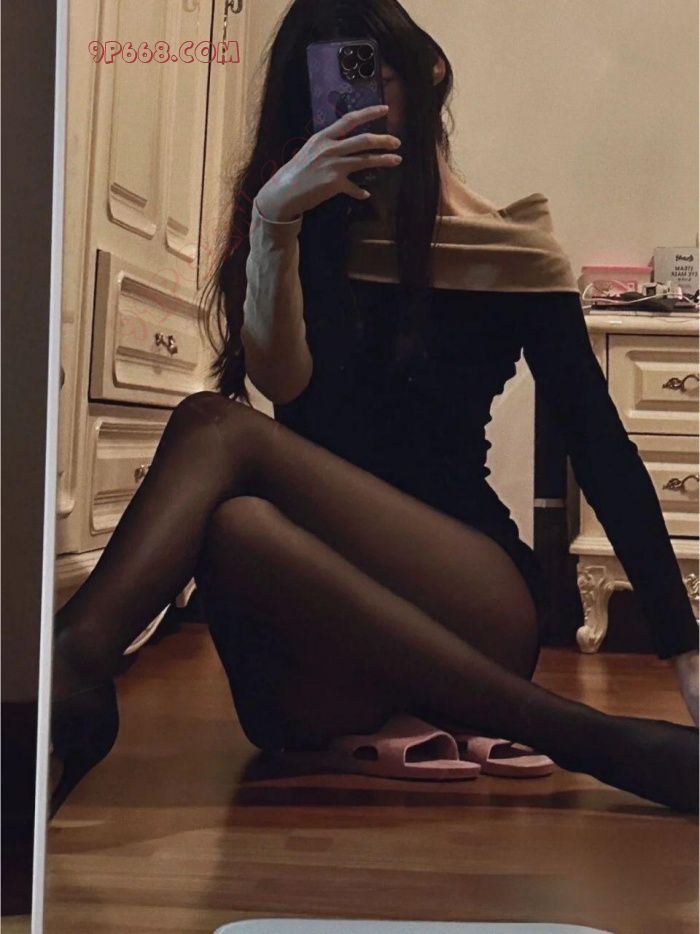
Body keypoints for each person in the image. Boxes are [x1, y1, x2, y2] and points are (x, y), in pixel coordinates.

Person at [50, 0, 698, 817]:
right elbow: (283, 387)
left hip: (468, 598)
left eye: (368, 73)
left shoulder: (514, 249)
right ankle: (589, 737)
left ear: (429, 72)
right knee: (233, 521)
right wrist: (274, 226)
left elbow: (596, 445)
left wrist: (684, 648)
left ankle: (67, 672)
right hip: (315, 648)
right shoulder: (302, 227)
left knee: (213, 426)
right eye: (327, 83)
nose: (350, 104)